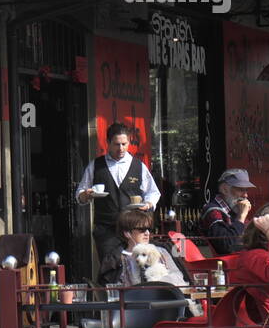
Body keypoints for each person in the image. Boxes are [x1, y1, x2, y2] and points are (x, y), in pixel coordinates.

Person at [75, 122, 161, 273]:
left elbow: (153, 192)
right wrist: (86, 195)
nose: (121, 148)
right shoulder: (96, 165)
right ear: (108, 143)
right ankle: (112, 296)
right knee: (111, 269)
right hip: (106, 229)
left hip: (134, 229)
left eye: (124, 144)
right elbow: (80, 195)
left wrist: (148, 204)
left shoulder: (138, 166)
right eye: (116, 144)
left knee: (138, 267)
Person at [100, 207, 189, 289]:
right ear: (127, 233)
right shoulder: (116, 259)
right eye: (142, 230)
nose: (147, 233)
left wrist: (157, 283)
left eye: (148, 229)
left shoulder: (161, 251)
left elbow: (178, 276)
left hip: (164, 300)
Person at [198, 168, 255, 255]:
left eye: (246, 190)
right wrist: (241, 216)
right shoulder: (212, 211)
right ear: (225, 189)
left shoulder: (233, 209)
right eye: (240, 190)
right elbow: (227, 245)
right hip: (225, 265)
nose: (245, 195)